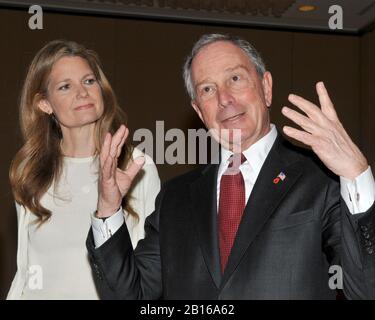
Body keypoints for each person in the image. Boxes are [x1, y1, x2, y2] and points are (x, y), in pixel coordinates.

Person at [86, 34, 375, 299]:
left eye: (235, 78)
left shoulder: (322, 180)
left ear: (266, 87)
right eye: (208, 89)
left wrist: (356, 174)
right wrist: (109, 209)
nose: (224, 99)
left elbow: (365, 289)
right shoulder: (174, 199)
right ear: (199, 111)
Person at [7, 40, 160, 299]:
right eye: (65, 86)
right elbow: (24, 270)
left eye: (89, 81)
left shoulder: (134, 166)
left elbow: (153, 270)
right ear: (45, 104)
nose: (82, 92)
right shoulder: (30, 171)